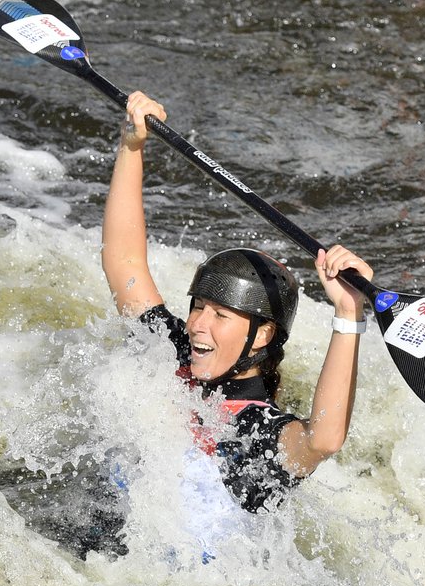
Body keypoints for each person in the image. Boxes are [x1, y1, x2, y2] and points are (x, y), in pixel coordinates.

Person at [101, 91, 374, 516]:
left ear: (262, 334)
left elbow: (323, 440)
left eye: (221, 315)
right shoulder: (171, 352)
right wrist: (131, 145)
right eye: (198, 307)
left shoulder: (260, 432)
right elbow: (123, 261)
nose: (197, 325)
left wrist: (348, 314)